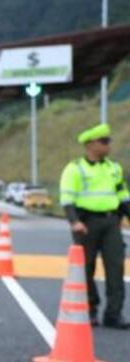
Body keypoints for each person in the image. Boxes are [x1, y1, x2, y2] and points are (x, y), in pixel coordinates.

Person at [60, 123, 130, 329]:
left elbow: (123, 196)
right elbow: (67, 199)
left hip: (111, 222)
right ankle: (90, 310)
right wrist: (74, 221)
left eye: (108, 141)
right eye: (104, 141)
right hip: (86, 224)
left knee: (116, 266)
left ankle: (114, 314)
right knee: (86, 268)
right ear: (91, 144)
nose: (109, 145)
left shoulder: (114, 168)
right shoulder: (75, 168)